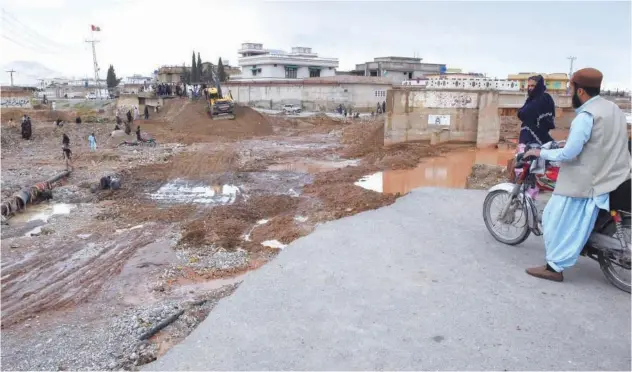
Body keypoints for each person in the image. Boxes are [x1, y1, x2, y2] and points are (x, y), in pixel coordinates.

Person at [523, 68, 631, 282]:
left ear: (580, 91)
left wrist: (540, 152)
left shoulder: (586, 116)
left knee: (553, 217)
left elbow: (570, 152)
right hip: (616, 173)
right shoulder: (613, 108)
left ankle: (554, 268)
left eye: (571, 89)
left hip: (588, 181)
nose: (570, 93)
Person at [517, 75, 555, 150]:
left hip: (538, 137)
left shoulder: (544, 98)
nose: (530, 88)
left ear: (539, 86)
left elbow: (524, 113)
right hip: (528, 137)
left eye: (533, 86)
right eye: (529, 86)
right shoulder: (531, 99)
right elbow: (522, 114)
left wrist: (523, 113)